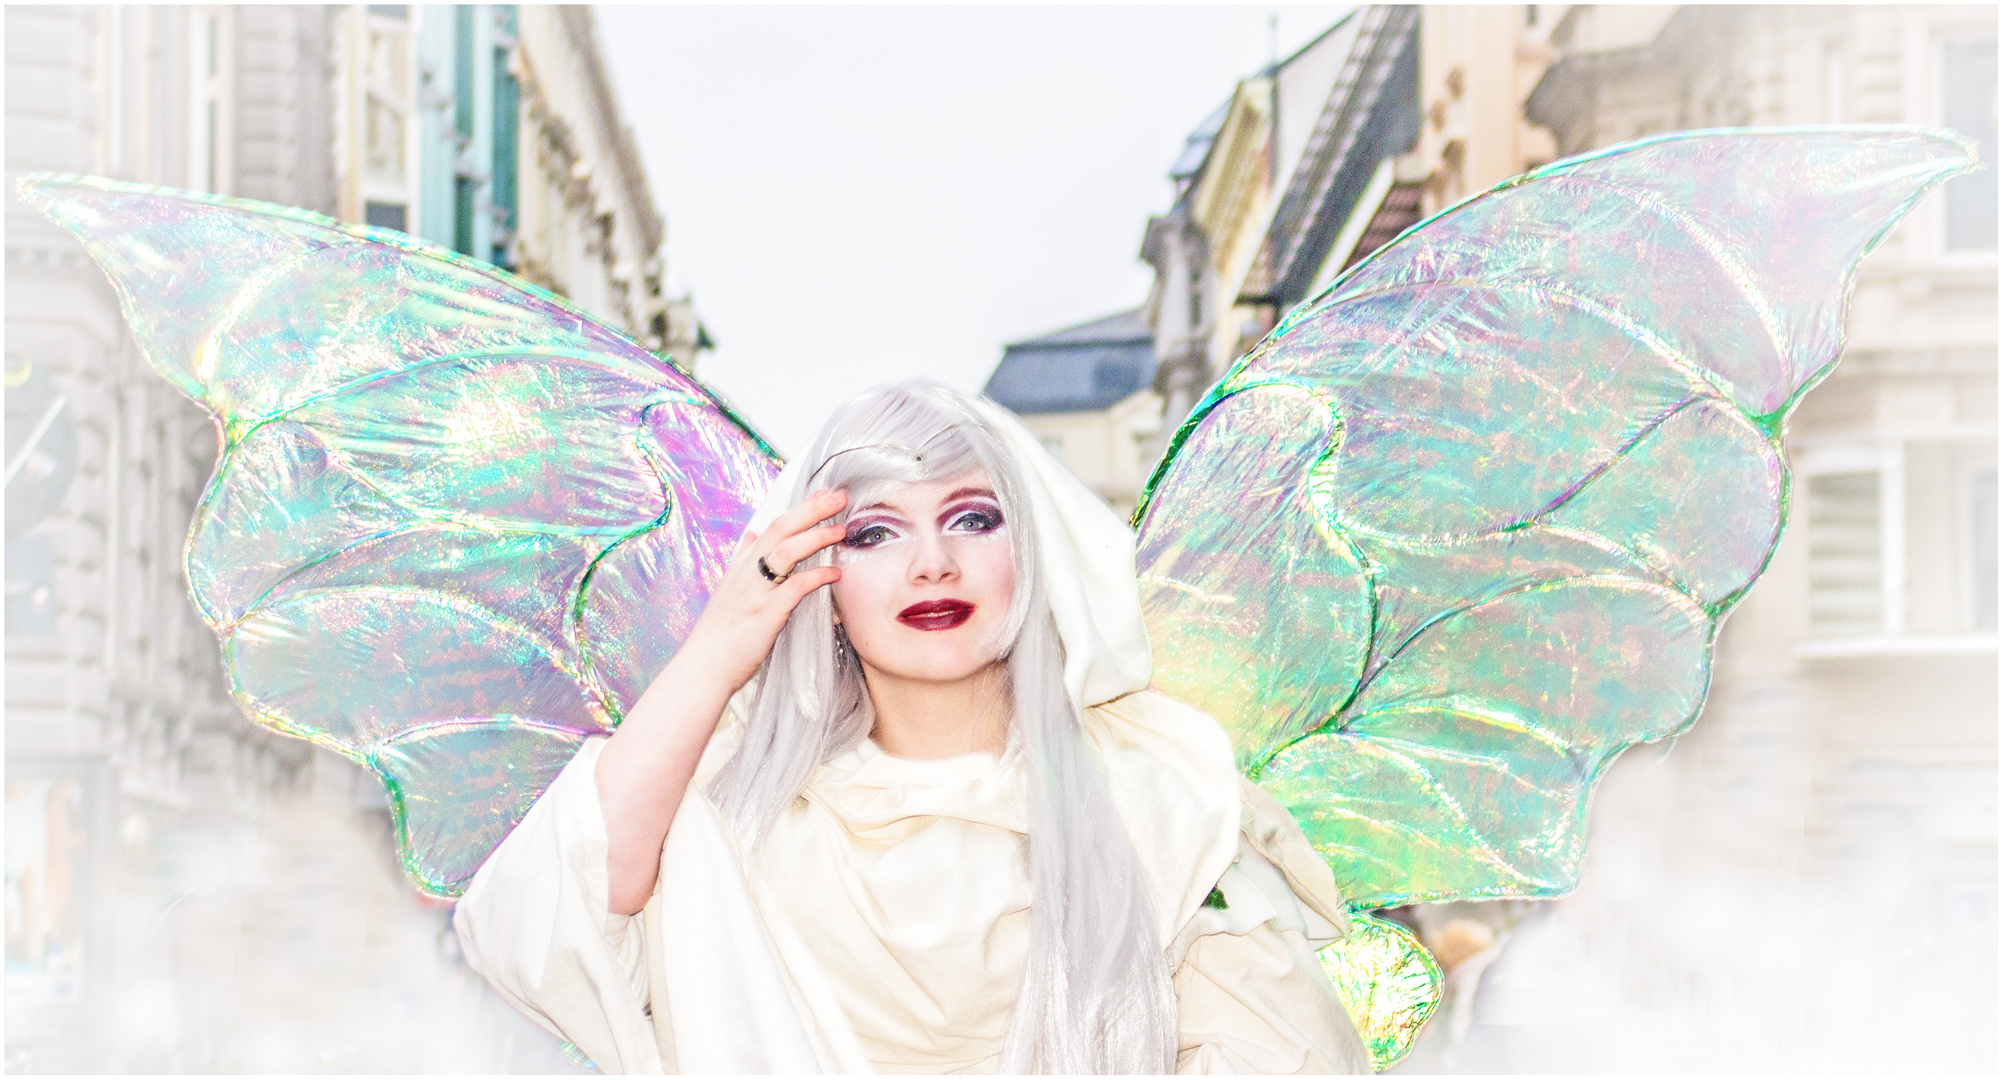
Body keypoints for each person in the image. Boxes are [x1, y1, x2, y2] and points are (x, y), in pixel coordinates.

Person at [453, 383, 1371, 1074]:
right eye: (873, 533)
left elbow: (1288, 1058)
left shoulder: (1161, 795)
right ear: (817, 576)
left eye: (971, 519)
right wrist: (723, 643)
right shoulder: (725, 811)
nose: (931, 564)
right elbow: (540, 917)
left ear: (1034, 552)